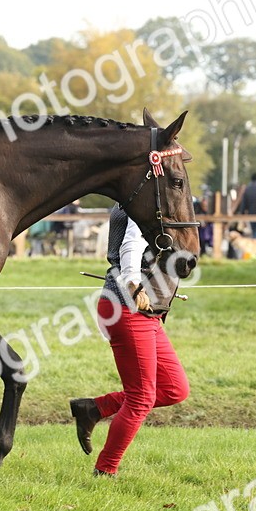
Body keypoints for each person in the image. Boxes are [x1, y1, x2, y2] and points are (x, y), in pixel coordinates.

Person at [68, 204, 189, 477]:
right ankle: (105, 470)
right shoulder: (142, 197)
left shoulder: (142, 194)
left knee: (174, 389)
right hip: (129, 305)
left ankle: (94, 408)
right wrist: (134, 283)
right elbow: (132, 244)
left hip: (146, 310)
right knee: (141, 397)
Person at [235, 172, 256, 240]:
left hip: (252, 214)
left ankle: (255, 245)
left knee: (255, 233)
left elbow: (244, 203)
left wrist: (242, 214)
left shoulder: (248, 188)